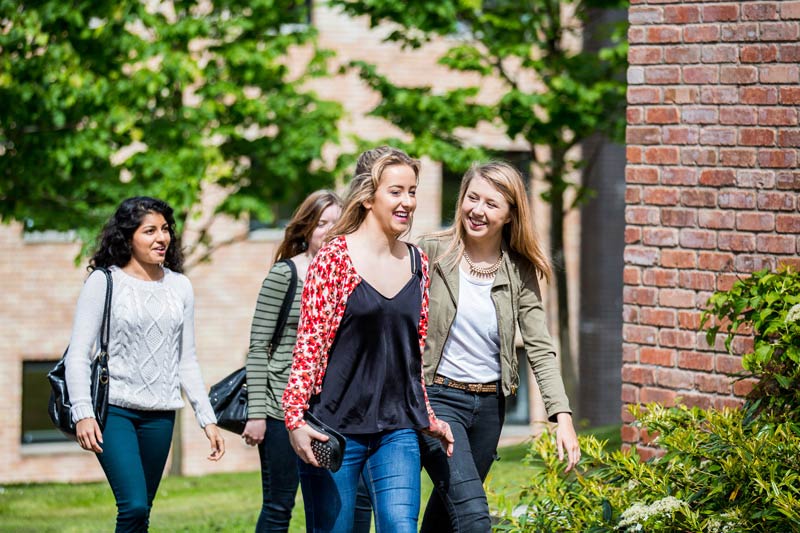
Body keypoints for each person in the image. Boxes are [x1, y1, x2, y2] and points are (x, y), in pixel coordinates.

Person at [282, 147, 454, 533]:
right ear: (367, 196)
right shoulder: (333, 259)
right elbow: (310, 345)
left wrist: (426, 417)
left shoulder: (417, 263)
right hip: (333, 428)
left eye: (412, 191)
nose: (407, 201)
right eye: (396, 191)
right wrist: (293, 419)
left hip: (397, 430)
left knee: (400, 527)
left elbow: (411, 354)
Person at [417, 161, 581, 532]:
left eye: (491, 203)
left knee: (446, 516)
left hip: (490, 408)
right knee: (474, 518)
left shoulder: (519, 269)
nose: (478, 210)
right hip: (439, 399)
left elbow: (539, 347)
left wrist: (563, 418)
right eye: (472, 198)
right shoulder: (431, 251)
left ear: (510, 214)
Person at [65, 196, 225, 533]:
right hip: (114, 411)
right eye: (149, 230)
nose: (161, 238)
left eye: (165, 229)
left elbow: (187, 358)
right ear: (128, 237)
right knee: (134, 505)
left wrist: (206, 417)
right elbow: (78, 353)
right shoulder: (103, 282)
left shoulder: (179, 286)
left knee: (143, 511)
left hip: (161, 413)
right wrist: (82, 411)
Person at [241, 190, 342, 532]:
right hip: (278, 409)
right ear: (305, 228)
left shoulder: (345, 277)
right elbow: (257, 348)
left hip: (328, 410)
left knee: (330, 502)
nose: (328, 231)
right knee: (279, 504)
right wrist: (256, 414)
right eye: (321, 223)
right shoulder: (286, 275)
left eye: (336, 224)